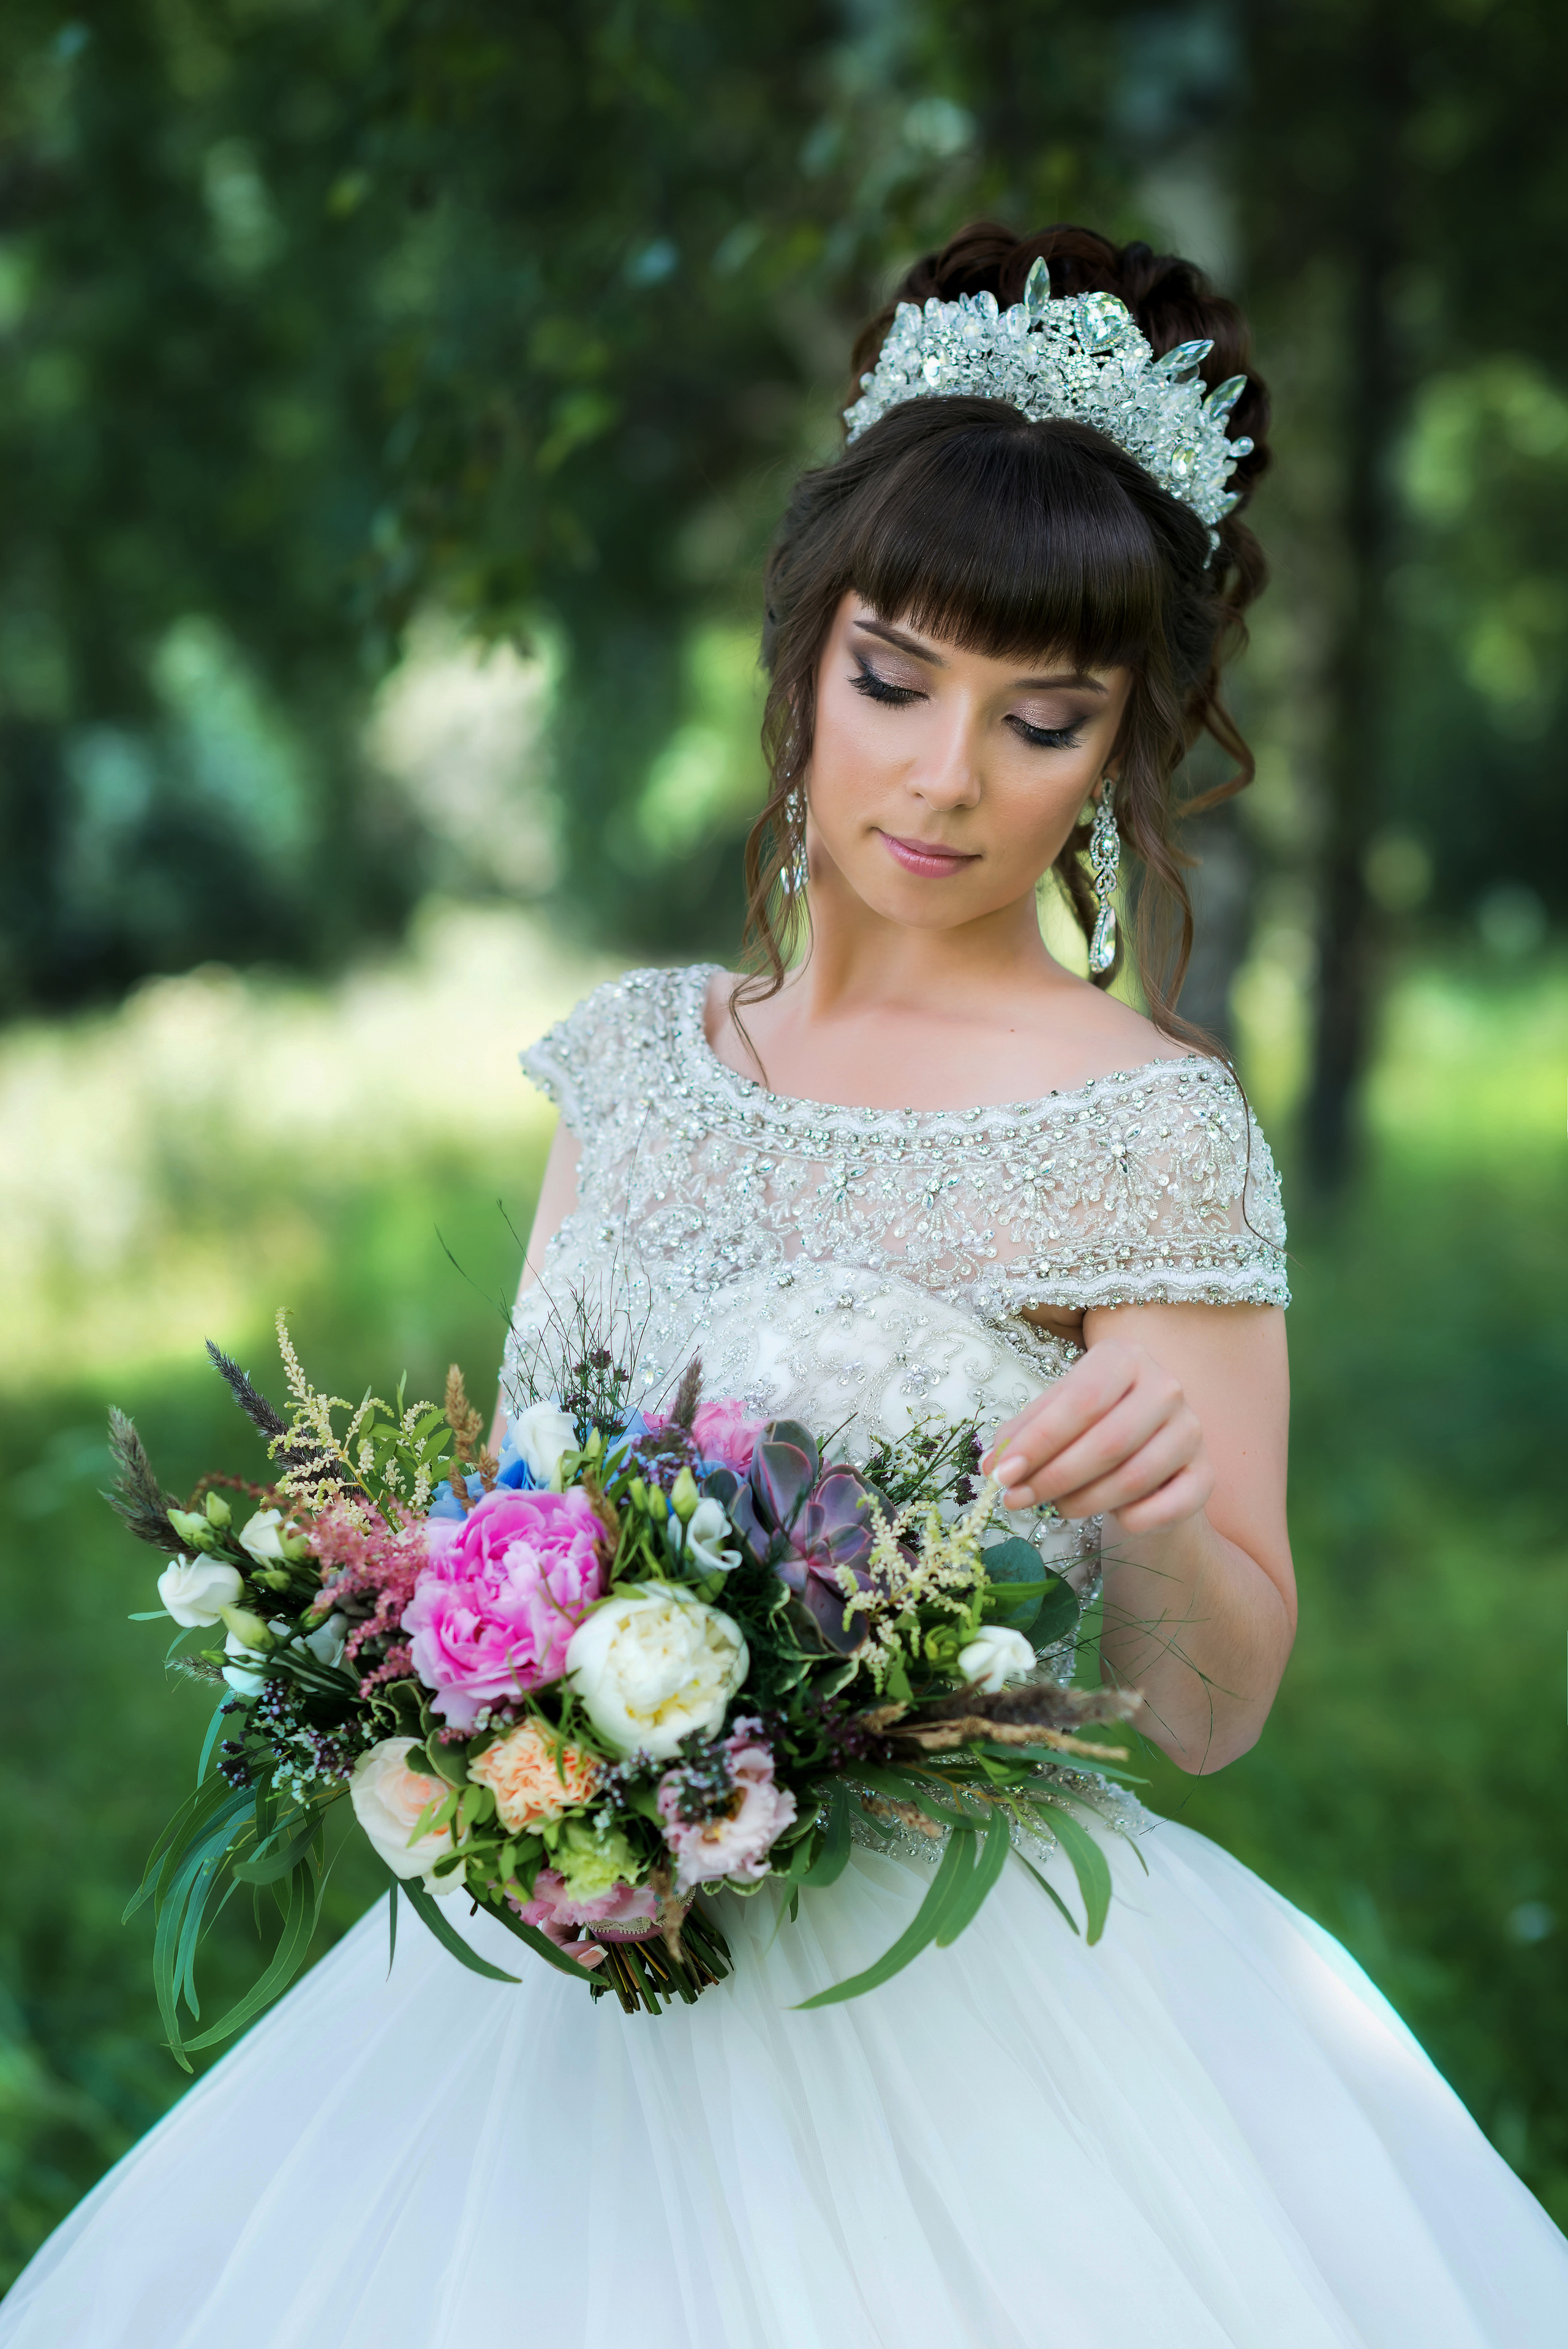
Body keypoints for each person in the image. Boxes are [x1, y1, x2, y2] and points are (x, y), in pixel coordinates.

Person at [4, 221, 1565, 2349]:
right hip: (563, 1984)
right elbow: (524, 1522)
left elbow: (1212, 1713)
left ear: (1119, 749)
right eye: (896, 679)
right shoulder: (639, 1064)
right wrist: (470, 1705)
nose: (945, 778)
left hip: (968, 2012)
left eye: (1043, 719)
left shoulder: (1149, 1126)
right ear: (805, 653)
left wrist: (1147, 1510)